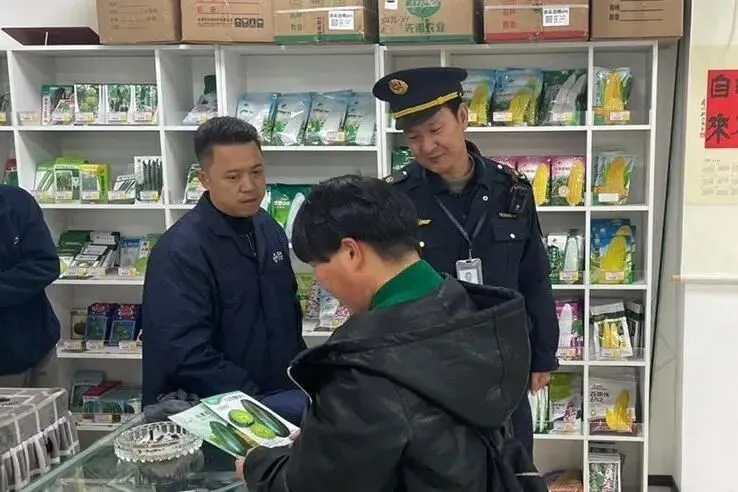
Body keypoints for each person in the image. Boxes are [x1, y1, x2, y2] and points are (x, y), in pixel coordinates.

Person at [236, 175, 544, 491]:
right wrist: (326, 438)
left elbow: (313, 485)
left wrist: (259, 465)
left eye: (317, 265)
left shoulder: (363, 365)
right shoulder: (475, 313)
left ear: (351, 252)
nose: (320, 280)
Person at [372, 67, 560, 455]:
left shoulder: (512, 189)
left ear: (462, 117)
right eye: (414, 137)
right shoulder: (395, 199)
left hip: (503, 361)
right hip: (430, 368)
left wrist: (543, 354)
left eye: (435, 129)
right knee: (444, 466)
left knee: (512, 463)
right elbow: (383, 289)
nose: (427, 146)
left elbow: (535, 275)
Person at [141, 117, 307, 425]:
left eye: (256, 172)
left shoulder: (268, 228)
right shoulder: (180, 250)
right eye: (233, 177)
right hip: (213, 414)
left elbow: (288, 317)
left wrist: (301, 381)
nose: (249, 186)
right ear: (204, 179)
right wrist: (256, 401)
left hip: (275, 401)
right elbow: (184, 351)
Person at [0, 184, 60, 385]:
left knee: (51, 404)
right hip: (4, 364)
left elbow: (46, 264)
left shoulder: (16, 201)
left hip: (40, 345)